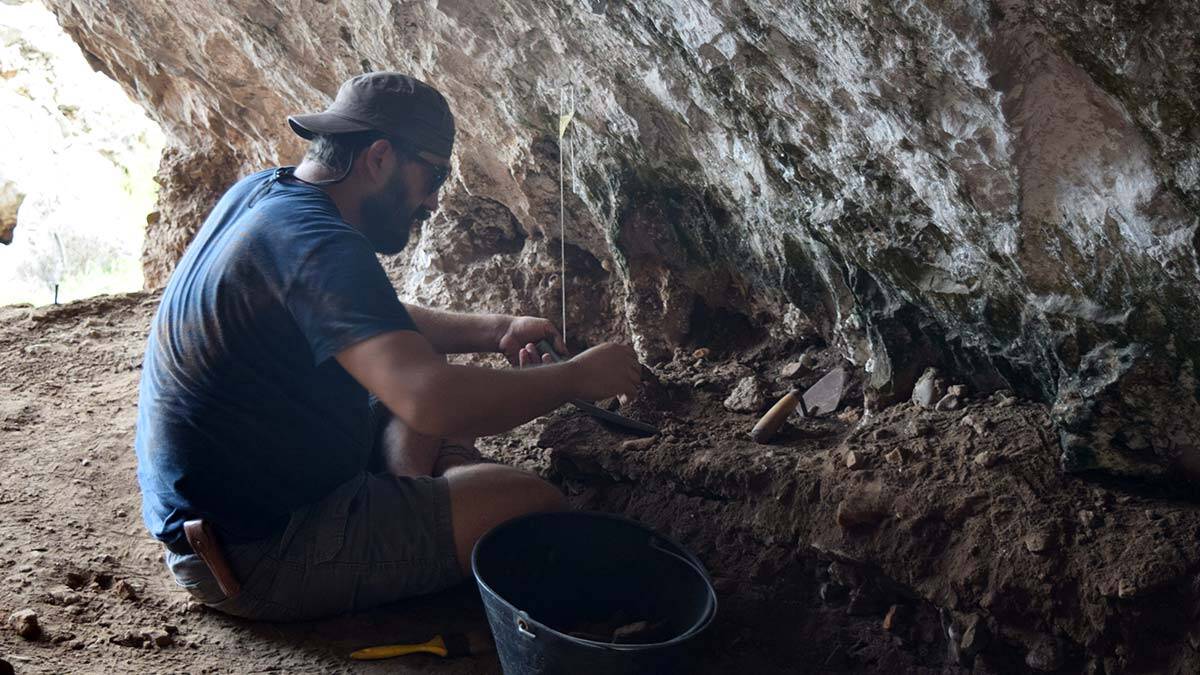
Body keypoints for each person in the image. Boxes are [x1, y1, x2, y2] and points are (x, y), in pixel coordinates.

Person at [134, 72, 642, 621]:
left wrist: (496, 331)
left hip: (232, 506)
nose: (433, 201)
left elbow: (367, 317)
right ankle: (438, 490)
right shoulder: (320, 241)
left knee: (421, 363)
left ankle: (419, 493)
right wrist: (578, 378)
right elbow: (432, 401)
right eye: (435, 175)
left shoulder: (271, 194)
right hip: (259, 552)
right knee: (532, 504)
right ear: (379, 158)